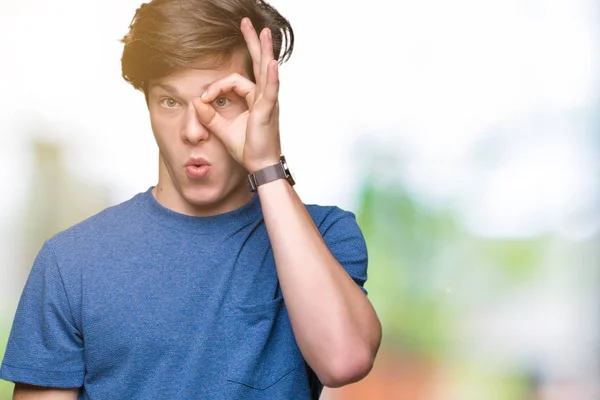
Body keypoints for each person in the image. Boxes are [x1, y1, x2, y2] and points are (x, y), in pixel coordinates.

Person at [0, 0, 382, 398]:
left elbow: (344, 360)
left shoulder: (324, 236)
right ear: (146, 102)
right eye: (170, 101)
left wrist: (266, 165)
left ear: (258, 101)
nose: (193, 130)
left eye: (219, 100)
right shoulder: (71, 263)